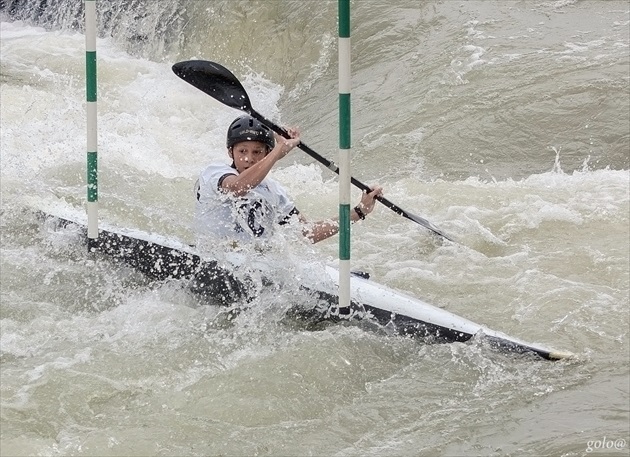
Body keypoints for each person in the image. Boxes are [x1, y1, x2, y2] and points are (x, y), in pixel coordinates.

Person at [194, 115, 383, 246]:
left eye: (257, 152)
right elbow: (237, 188)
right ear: (230, 152)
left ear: (266, 153)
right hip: (215, 254)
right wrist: (278, 150)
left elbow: (306, 233)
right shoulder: (215, 172)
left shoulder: (274, 192)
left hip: (253, 265)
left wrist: (358, 212)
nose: (249, 159)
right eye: (242, 151)